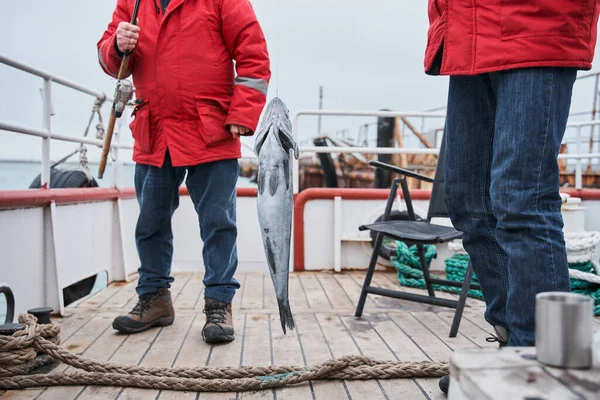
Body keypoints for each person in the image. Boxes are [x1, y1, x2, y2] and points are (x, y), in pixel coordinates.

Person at [423, 0, 599, 395]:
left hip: (536, 26)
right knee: (468, 199)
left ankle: (540, 357)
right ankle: (511, 343)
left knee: (523, 199)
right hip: (468, 36)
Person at [96, 0, 270, 344]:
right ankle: (155, 298)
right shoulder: (131, 2)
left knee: (218, 223)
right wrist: (117, 45)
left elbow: (254, 55)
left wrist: (243, 114)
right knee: (150, 222)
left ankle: (219, 305)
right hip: (154, 128)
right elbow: (108, 57)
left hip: (212, 128)